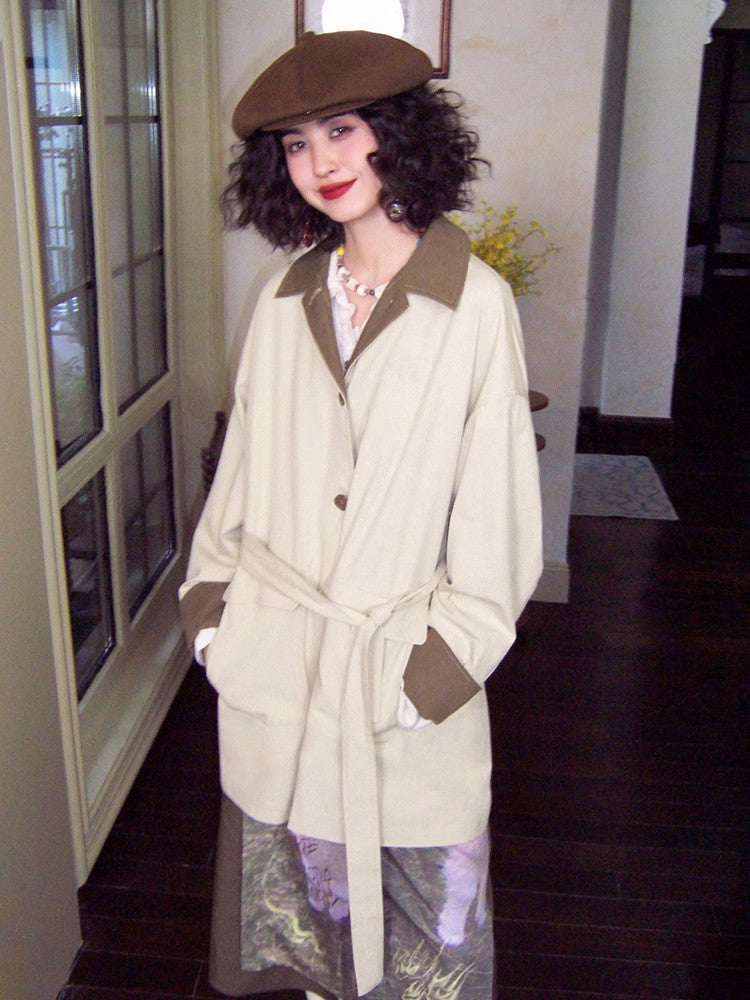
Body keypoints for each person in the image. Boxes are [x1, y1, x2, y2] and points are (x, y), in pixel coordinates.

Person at [179, 29, 543, 1000]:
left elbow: (501, 521)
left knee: (424, 950)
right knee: (297, 929)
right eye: (295, 144)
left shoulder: (475, 306)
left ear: (400, 133)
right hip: (276, 662)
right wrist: (212, 618)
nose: (321, 163)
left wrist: (433, 674)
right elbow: (238, 477)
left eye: (342, 130)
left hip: (399, 675)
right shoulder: (282, 298)